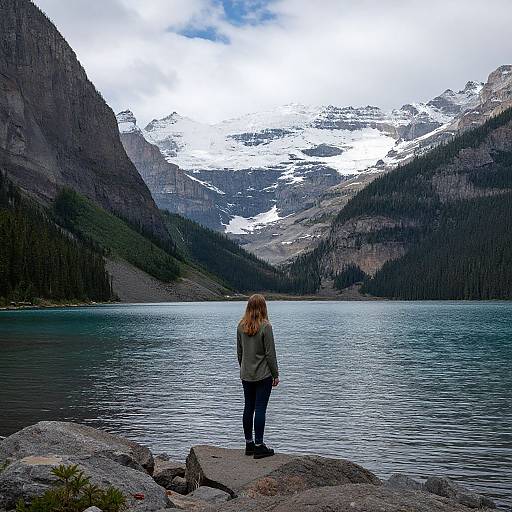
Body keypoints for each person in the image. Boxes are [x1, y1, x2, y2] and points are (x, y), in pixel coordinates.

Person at [237, 294, 279, 459]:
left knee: (248, 407)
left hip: (246, 374)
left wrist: (244, 368)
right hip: (263, 375)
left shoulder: (241, 326)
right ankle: (260, 446)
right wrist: (275, 374)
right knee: (260, 408)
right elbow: (270, 354)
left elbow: (239, 352)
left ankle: (249, 444)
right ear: (263, 307)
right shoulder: (266, 326)